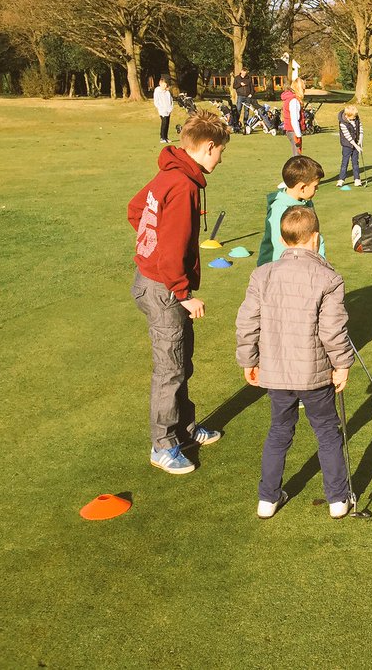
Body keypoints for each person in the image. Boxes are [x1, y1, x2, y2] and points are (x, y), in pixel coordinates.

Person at [236, 205, 355, 520]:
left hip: (275, 374)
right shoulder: (329, 277)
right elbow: (333, 330)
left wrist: (248, 358)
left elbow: (247, 322)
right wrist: (342, 363)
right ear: (315, 238)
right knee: (328, 431)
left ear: (282, 238)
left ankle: (267, 499)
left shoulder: (262, 274)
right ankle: (338, 500)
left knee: (279, 430)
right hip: (314, 375)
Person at [128, 110, 230, 475]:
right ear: (207, 147)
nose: (221, 159)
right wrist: (183, 293)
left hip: (157, 282)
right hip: (163, 291)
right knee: (169, 370)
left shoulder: (170, 174)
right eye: (221, 152)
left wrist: (149, 248)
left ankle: (184, 430)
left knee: (181, 361)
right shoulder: (183, 184)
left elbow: (136, 210)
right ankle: (163, 445)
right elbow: (170, 250)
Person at [257, 155, 327, 266]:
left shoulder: (305, 201)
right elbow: (282, 250)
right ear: (302, 188)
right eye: (315, 186)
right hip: (281, 271)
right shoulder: (280, 213)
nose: (317, 189)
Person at [337, 105, 365, 187]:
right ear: (347, 115)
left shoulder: (356, 118)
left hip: (356, 143)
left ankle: (357, 179)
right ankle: (341, 180)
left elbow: (361, 128)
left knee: (355, 162)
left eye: (356, 116)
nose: (355, 118)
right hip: (347, 145)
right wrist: (356, 146)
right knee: (345, 162)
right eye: (353, 117)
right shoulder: (342, 123)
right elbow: (348, 137)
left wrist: (360, 140)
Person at [280, 78, 306, 156]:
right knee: (297, 157)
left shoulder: (291, 99)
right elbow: (294, 119)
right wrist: (298, 135)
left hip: (291, 130)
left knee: (296, 155)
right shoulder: (294, 101)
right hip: (293, 131)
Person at [153, 78, 174, 144]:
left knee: (167, 123)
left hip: (168, 110)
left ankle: (166, 137)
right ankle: (162, 137)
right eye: (164, 85)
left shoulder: (167, 92)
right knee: (164, 123)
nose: (165, 86)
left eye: (166, 85)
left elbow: (170, 100)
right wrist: (160, 108)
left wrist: (171, 108)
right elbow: (156, 101)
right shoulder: (157, 91)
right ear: (160, 84)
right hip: (162, 110)